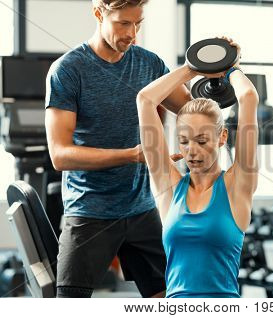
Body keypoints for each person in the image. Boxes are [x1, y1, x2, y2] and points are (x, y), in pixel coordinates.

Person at [45, 0, 191, 298]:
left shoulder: (149, 64)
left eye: (138, 23)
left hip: (141, 207)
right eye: (124, 23)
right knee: (68, 306)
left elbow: (192, 109)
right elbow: (60, 155)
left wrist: (217, 72)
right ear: (99, 14)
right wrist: (133, 155)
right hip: (90, 211)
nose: (132, 33)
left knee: (174, 299)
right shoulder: (68, 70)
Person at [137, 38, 259, 298]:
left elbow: (248, 97)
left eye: (202, 140)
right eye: (184, 141)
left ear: (222, 137)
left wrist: (230, 67)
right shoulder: (168, 186)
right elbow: (145, 100)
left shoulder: (238, 185)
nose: (191, 150)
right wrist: (192, 66)